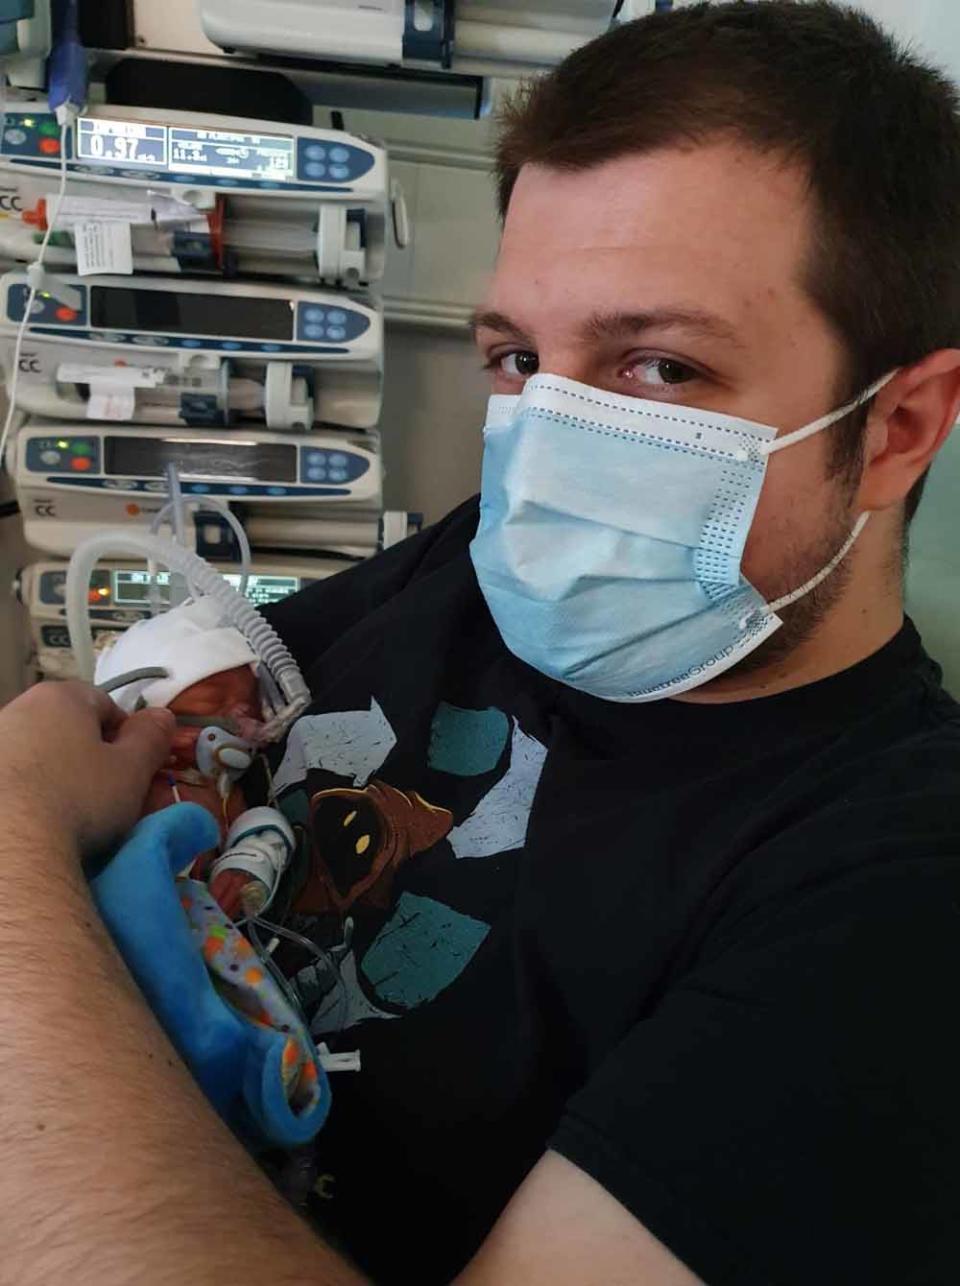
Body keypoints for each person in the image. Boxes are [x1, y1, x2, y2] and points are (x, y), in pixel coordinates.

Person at [3, 3, 960, 1282]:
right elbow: (198, 687)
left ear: (899, 426)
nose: (546, 448)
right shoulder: (499, 555)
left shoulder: (895, 901)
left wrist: (13, 833)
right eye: (517, 357)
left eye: (660, 369)